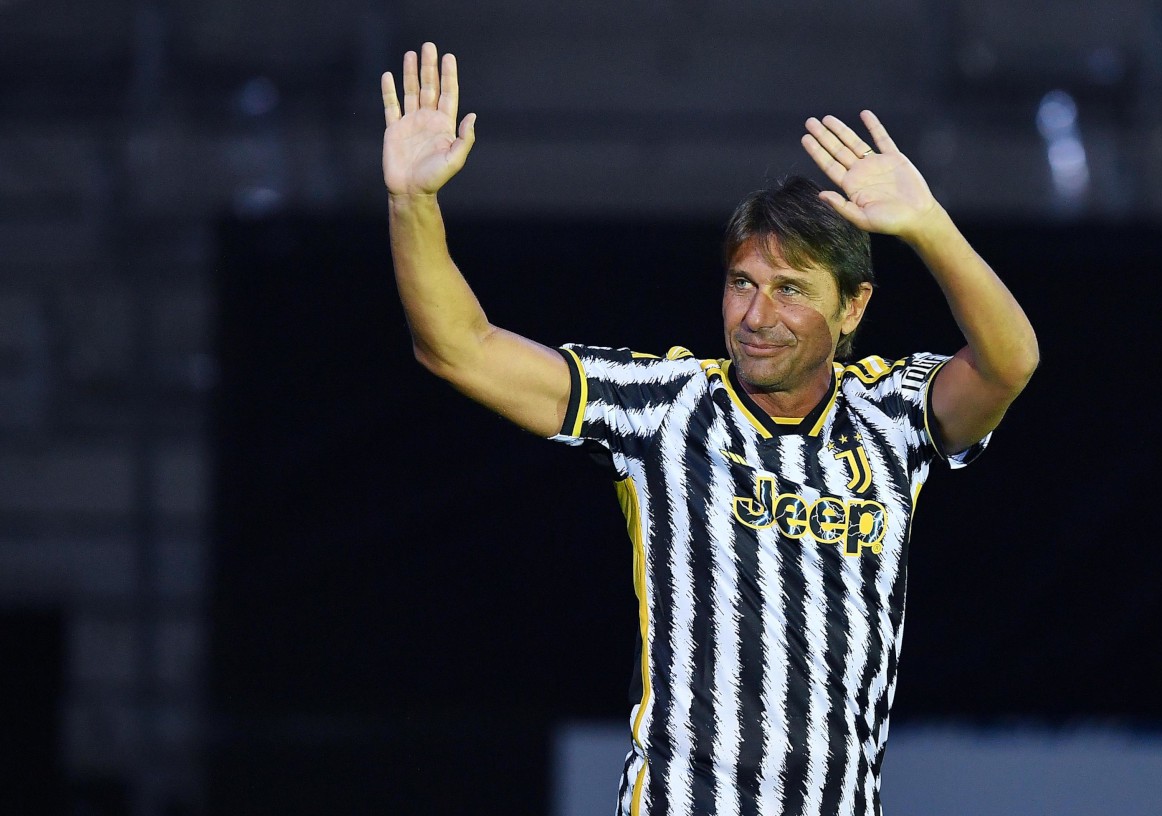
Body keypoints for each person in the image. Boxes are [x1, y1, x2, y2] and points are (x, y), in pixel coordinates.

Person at [381, 42, 1038, 816]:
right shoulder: (667, 403)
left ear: (853, 307)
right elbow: (459, 347)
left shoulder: (893, 413)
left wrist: (929, 225)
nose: (757, 316)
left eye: (790, 289)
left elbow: (1009, 363)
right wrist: (410, 203)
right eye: (742, 284)